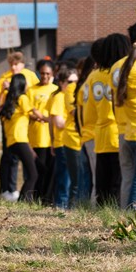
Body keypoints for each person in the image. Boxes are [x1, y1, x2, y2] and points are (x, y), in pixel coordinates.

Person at [82, 36, 124, 206]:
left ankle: (100, 214)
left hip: (99, 135)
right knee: (118, 183)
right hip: (117, 133)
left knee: (101, 184)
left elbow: (87, 111)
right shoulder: (118, 73)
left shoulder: (92, 77)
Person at [0, 51, 39, 199]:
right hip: (11, 120)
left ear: (22, 64)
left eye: (16, 64)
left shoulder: (30, 75)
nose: (14, 67)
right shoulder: (4, 78)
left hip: (25, 122)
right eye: (11, 64)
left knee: (27, 161)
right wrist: (3, 89)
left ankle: (23, 194)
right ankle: (9, 189)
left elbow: (36, 91)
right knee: (10, 157)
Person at [113, 34, 136, 209]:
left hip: (125, 130)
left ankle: (125, 211)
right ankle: (135, 213)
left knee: (128, 177)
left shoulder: (119, 67)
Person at [27, 59, 59, 203]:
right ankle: (35, 197)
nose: (44, 76)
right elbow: (26, 110)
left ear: (52, 74)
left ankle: (47, 199)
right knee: (37, 170)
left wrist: (43, 118)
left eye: (47, 73)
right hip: (35, 136)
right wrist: (36, 116)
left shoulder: (55, 90)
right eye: (42, 74)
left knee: (50, 170)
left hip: (50, 137)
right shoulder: (31, 90)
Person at [54, 64, 83, 209]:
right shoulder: (62, 96)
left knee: (72, 180)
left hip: (77, 140)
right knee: (68, 181)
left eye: (75, 81)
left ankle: (67, 207)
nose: (73, 85)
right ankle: (64, 207)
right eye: (70, 82)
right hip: (68, 140)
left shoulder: (79, 91)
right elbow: (57, 121)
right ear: (62, 83)